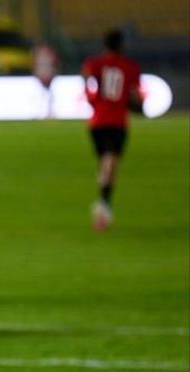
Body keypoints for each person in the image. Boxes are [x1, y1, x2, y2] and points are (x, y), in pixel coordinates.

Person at [82, 28, 141, 231]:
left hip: (96, 122)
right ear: (121, 45)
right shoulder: (130, 67)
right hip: (117, 121)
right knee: (110, 162)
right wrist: (137, 106)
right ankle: (103, 205)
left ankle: (104, 205)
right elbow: (135, 96)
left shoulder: (94, 63)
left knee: (105, 163)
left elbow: (87, 80)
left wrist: (92, 100)